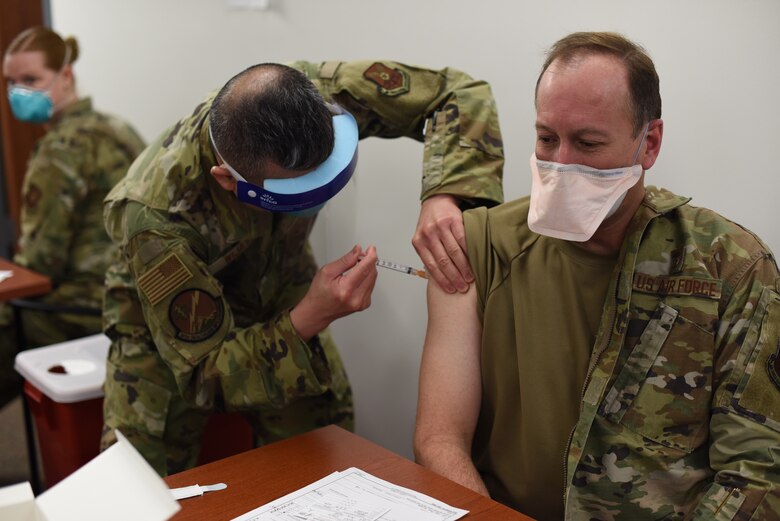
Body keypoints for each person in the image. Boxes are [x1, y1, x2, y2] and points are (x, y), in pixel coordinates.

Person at [414, 31, 780, 520]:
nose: (560, 164)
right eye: (547, 138)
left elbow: (754, 472)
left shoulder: (729, 267)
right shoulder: (478, 247)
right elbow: (440, 440)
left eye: (587, 143)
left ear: (648, 143)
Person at [100, 60, 504, 476]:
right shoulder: (155, 220)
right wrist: (313, 314)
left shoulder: (317, 94)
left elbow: (459, 93)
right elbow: (206, 374)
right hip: (168, 335)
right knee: (140, 487)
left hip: (278, 283)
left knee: (325, 456)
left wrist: (444, 194)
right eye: (297, 192)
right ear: (228, 181)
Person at [0, 27, 145, 409]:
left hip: (86, 306)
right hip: (139, 295)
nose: (18, 92)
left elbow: (41, 264)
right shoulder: (117, 128)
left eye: (30, 80)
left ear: (66, 76)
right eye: (11, 82)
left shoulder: (58, 150)